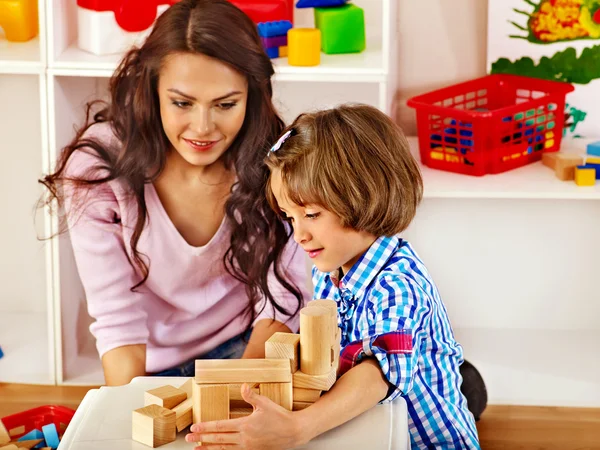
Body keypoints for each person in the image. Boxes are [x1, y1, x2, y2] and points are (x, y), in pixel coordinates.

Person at [38, 0, 309, 386]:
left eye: (225, 104)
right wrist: (132, 410)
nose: (202, 127)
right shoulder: (97, 168)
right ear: (153, 89)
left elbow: (282, 305)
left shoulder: (275, 164)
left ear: (252, 94)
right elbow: (118, 324)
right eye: (182, 103)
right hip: (148, 362)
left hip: (248, 345)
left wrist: (234, 395)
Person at [185, 104, 481, 449]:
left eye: (311, 214)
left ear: (364, 195)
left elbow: (379, 373)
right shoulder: (331, 270)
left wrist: (298, 427)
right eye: (290, 217)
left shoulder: (398, 285)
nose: (299, 235)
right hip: (367, 429)